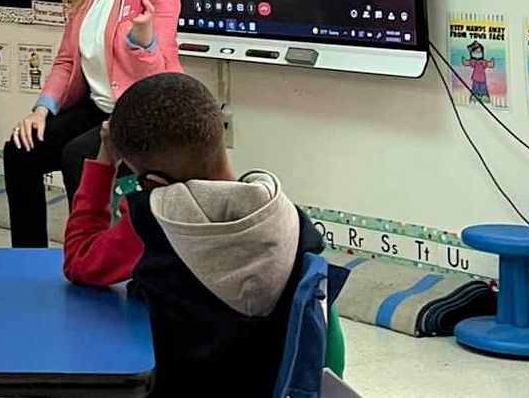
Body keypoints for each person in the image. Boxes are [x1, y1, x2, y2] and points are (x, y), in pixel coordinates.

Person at [64, 73, 345, 394]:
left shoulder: (153, 224)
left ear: (155, 183)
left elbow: (78, 259)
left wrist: (105, 161)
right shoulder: (291, 219)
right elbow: (330, 353)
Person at [3, 0, 182, 248]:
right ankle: (28, 257)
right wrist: (41, 110)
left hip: (145, 111)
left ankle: (88, 260)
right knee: (20, 149)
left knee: (79, 157)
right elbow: (66, 60)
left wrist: (143, 39)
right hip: (99, 108)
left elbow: (157, 78)